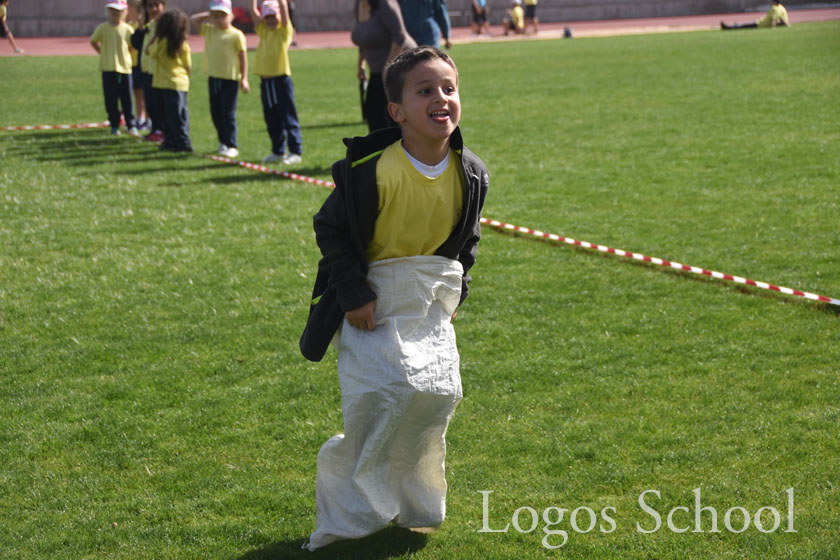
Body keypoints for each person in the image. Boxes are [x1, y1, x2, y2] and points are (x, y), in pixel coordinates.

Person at [300, 46, 490, 551]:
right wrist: (355, 295)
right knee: (380, 399)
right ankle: (351, 513)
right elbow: (331, 228)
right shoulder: (370, 170)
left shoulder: (470, 171)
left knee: (435, 397)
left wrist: (455, 291)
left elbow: (465, 244)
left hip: (428, 304)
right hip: (371, 302)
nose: (440, 99)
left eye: (448, 88)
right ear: (397, 111)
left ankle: (416, 504)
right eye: (424, 90)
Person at [191, 0, 250, 158]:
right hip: (214, 78)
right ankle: (223, 141)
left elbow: (243, 58)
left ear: (230, 16)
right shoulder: (210, 31)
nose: (218, 19)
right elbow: (194, 20)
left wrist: (244, 78)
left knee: (227, 113)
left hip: (230, 79)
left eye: (222, 16)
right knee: (215, 112)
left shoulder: (236, 35)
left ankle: (232, 144)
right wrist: (209, 15)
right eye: (215, 16)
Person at [250, 0, 302, 165]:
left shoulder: (284, 32)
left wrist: (281, 4)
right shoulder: (263, 31)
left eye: (274, 17)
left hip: (281, 81)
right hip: (266, 82)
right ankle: (278, 150)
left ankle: (295, 151)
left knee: (288, 116)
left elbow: (284, 9)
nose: (271, 20)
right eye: (268, 17)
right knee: (271, 117)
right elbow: (252, 11)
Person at [352, 0, 416, 133]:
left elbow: (400, 36)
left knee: (392, 118)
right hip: (378, 71)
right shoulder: (359, 5)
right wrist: (361, 64)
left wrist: (388, 67)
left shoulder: (385, 4)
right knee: (373, 113)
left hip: (401, 69)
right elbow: (362, 37)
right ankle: (381, 152)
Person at [146, 8, 193, 152]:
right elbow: (188, 66)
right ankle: (176, 141)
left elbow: (148, 50)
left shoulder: (161, 43)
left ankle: (181, 143)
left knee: (168, 116)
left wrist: (155, 37)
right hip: (179, 83)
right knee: (177, 115)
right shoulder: (183, 44)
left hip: (163, 83)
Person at [90, 0, 137, 136]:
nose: (116, 13)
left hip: (125, 69)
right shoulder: (103, 28)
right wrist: (102, 52)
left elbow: (132, 46)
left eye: (119, 11)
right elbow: (93, 41)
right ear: (108, 12)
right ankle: (114, 124)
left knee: (127, 98)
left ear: (124, 12)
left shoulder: (128, 29)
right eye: (113, 11)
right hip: (108, 68)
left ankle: (130, 123)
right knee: (111, 98)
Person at [138, 0, 167, 143]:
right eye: (150, 6)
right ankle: (156, 130)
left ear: (164, 5)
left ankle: (162, 131)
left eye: (157, 5)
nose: (153, 9)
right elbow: (136, 42)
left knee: (158, 103)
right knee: (150, 103)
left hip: (158, 70)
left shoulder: (166, 25)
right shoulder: (149, 25)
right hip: (147, 69)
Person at [126, 0, 148, 130]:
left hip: (141, 64)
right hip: (131, 64)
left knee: (144, 93)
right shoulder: (129, 25)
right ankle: (140, 117)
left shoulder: (142, 26)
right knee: (137, 92)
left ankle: (146, 118)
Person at [721, 1, 789, 30]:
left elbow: (773, 19)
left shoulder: (775, 8)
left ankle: (729, 27)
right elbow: (781, 18)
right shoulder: (781, 8)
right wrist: (787, 25)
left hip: (760, 24)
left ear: (774, 2)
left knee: (744, 26)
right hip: (760, 23)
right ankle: (735, 25)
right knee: (744, 25)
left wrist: (773, 28)